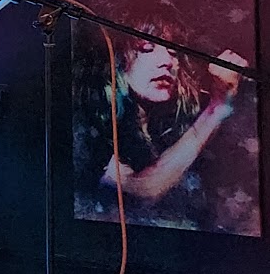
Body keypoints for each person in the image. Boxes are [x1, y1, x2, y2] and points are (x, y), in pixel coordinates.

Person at [80, 21, 247, 227]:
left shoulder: (182, 119)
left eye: (173, 52)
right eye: (147, 49)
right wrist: (218, 107)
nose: (167, 61)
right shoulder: (90, 125)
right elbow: (137, 193)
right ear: (116, 59)